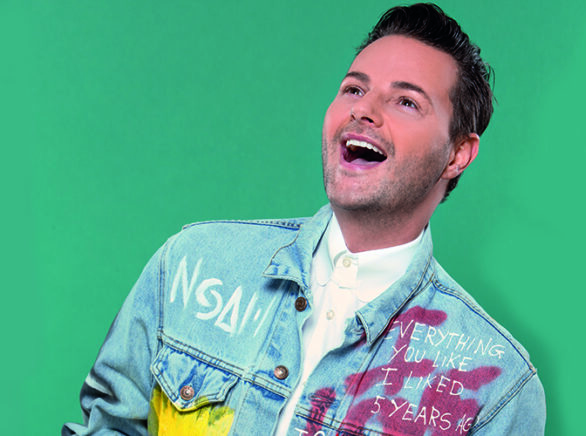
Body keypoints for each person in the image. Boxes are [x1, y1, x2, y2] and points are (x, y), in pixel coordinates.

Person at [63, 3, 545, 435]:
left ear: (458, 154)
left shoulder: (497, 388)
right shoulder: (193, 264)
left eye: (406, 101)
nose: (363, 110)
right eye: (354, 88)